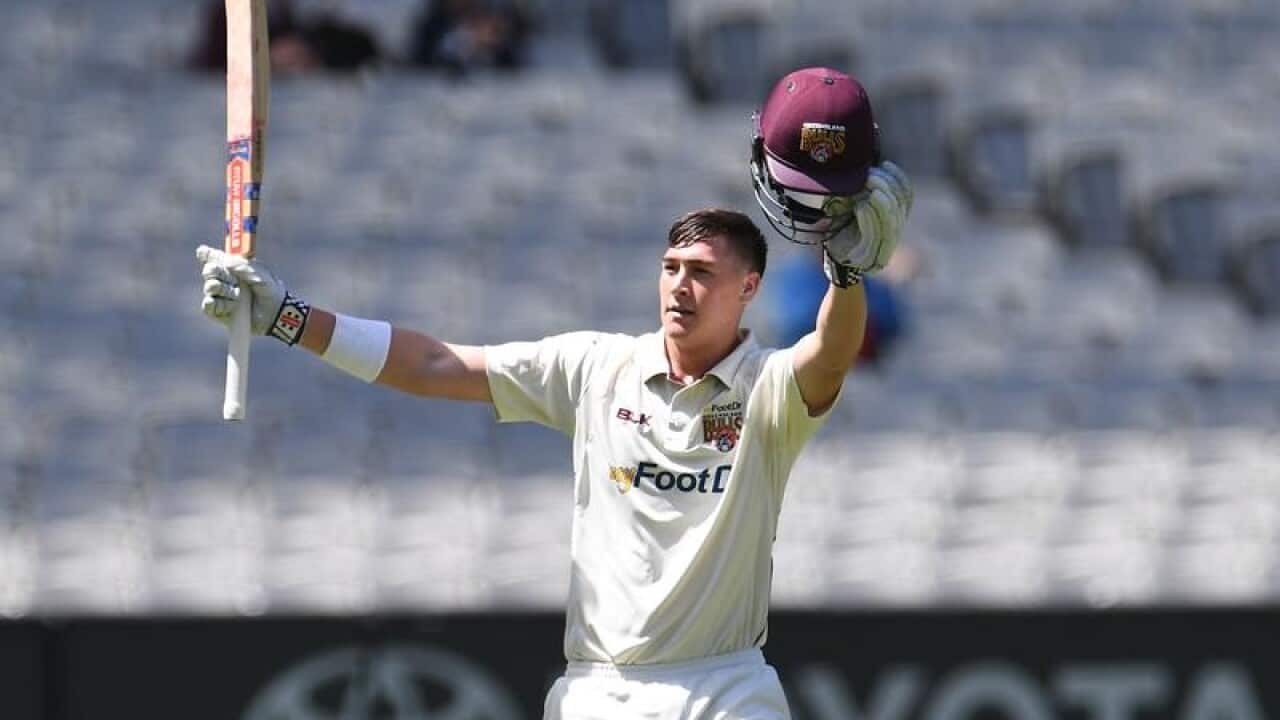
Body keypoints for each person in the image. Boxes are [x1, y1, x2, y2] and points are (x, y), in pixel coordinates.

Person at [195, 67, 911, 719]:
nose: (679, 287)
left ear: (748, 288)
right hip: (599, 690)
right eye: (670, 268)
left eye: (702, 273)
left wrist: (847, 276)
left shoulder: (767, 389)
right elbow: (434, 365)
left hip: (725, 687)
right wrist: (289, 318)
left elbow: (831, 354)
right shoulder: (595, 367)